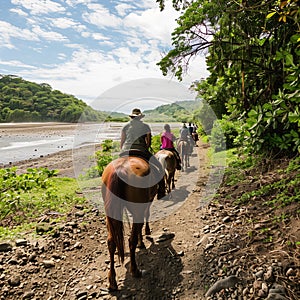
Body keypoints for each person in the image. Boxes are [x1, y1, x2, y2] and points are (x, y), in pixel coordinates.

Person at [120, 108, 166, 198]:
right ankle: (161, 191)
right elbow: (148, 142)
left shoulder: (125, 127)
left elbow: (122, 142)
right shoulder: (146, 126)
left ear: (132, 117)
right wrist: (146, 147)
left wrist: (123, 150)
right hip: (141, 150)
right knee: (159, 167)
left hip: (126, 150)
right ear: (140, 117)